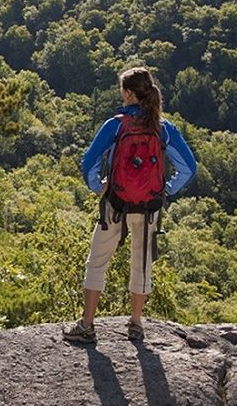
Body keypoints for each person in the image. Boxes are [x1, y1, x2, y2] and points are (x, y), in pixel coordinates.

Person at [63, 66, 197, 343]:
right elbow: (189, 167)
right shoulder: (163, 128)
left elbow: (88, 161)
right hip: (149, 207)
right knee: (143, 263)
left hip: (116, 204)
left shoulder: (115, 125)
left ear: (127, 93)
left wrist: (98, 185)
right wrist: (166, 189)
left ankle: (87, 325)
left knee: (97, 262)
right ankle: (135, 324)